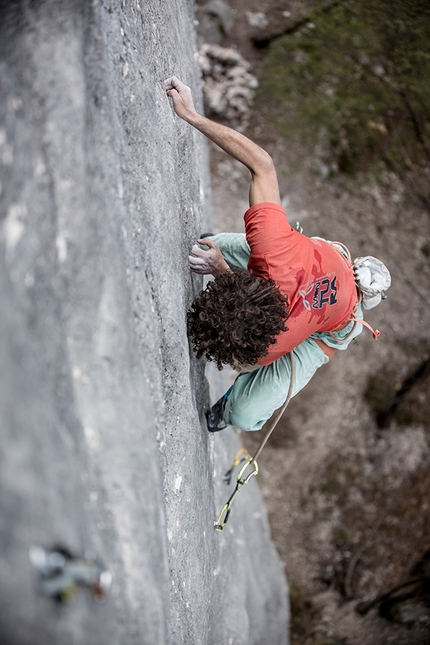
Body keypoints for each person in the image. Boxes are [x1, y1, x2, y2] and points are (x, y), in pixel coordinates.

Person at [165, 76, 391, 432]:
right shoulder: (275, 250)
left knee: (245, 413)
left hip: (333, 326)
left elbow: (250, 342)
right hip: (310, 261)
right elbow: (262, 165)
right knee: (212, 248)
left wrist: (222, 270)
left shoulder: (274, 343)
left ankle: (365, 290)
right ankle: (230, 255)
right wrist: (192, 116)